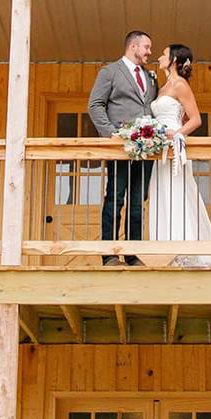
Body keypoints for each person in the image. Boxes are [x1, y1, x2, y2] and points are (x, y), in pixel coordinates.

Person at [148, 44, 211, 267]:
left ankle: (186, 253)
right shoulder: (162, 86)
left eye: (164, 54)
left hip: (174, 147)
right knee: (162, 195)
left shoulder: (180, 85)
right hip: (159, 150)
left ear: (174, 59)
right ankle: (165, 252)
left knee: (178, 193)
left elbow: (195, 119)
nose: (159, 57)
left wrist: (176, 135)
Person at [87, 30, 158, 266]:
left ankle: (132, 253)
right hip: (120, 148)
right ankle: (109, 254)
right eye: (146, 47)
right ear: (133, 47)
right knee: (115, 198)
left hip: (146, 149)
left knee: (138, 201)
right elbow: (95, 105)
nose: (149, 52)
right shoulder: (110, 72)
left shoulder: (150, 77)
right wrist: (111, 135)